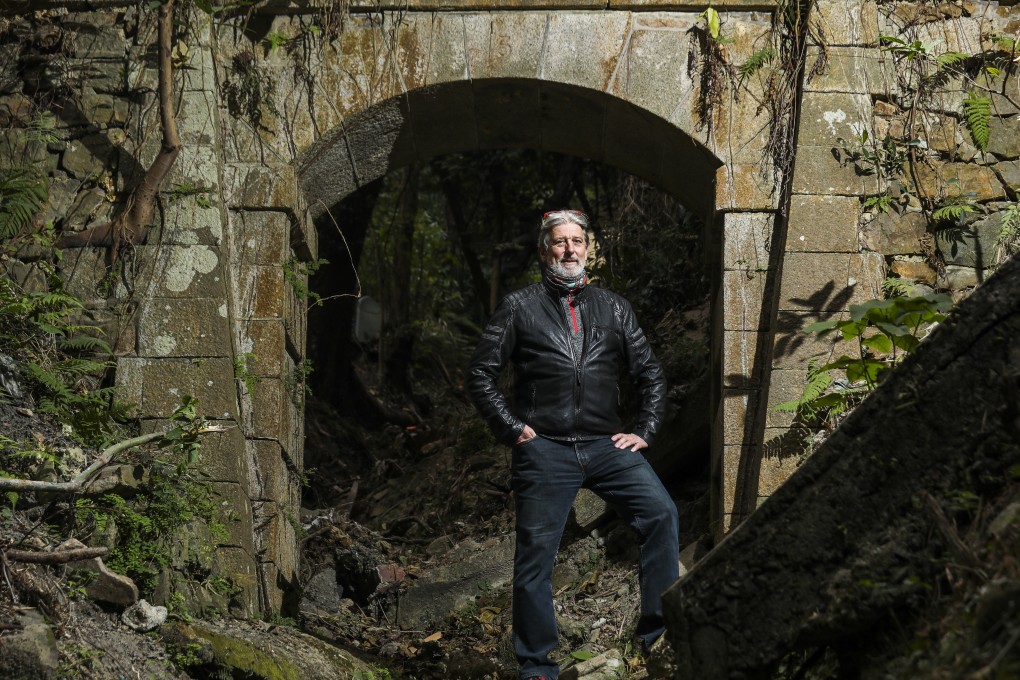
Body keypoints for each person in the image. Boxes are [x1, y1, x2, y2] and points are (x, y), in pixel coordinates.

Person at [466, 209, 680, 680]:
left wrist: (644, 428)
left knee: (661, 514)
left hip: (608, 446)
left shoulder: (615, 307)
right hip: (546, 449)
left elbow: (650, 374)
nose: (569, 250)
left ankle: (658, 636)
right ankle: (537, 665)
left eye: (577, 241)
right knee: (536, 556)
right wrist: (513, 428)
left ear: (588, 249)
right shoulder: (520, 306)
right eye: (560, 242)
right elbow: (480, 373)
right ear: (545, 251)